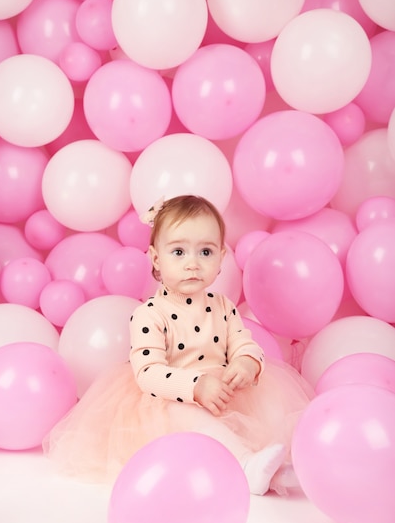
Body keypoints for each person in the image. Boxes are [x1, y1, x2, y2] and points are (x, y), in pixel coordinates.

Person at [44, 195, 314, 495]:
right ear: (157, 259)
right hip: (172, 396)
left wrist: (246, 363)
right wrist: (196, 386)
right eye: (179, 252)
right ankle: (246, 464)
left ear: (221, 258)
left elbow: (243, 343)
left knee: (269, 404)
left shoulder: (223, 307)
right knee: (186, 416)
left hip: (223, 394)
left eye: (206, 252)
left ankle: (278, 470)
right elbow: (148, 373)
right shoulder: (150, 314)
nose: (193, 264)